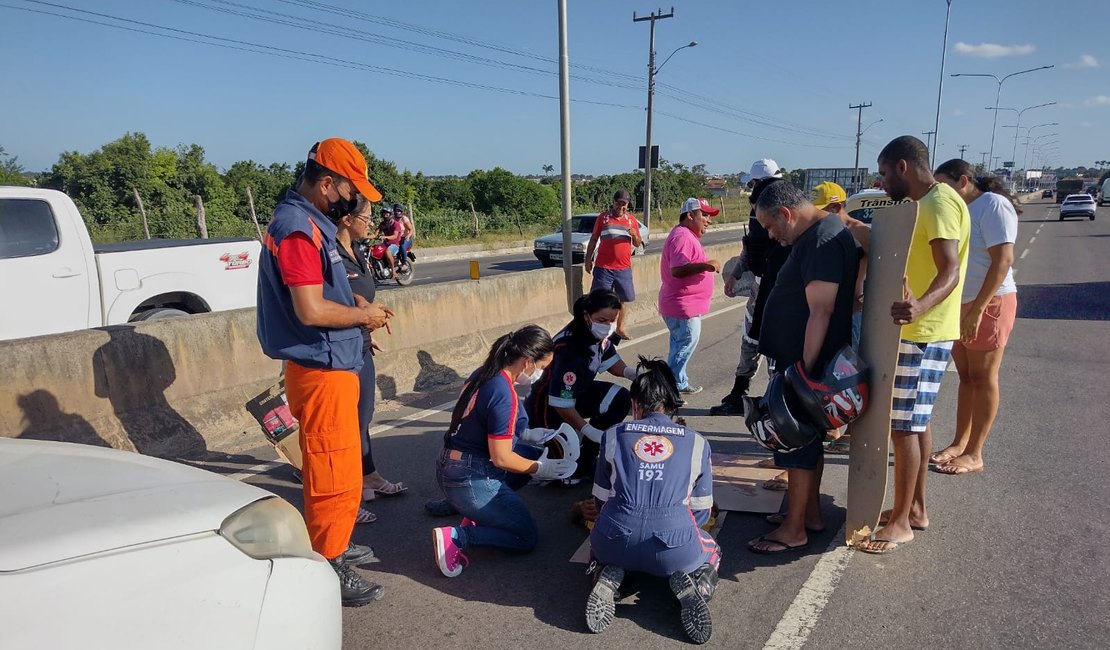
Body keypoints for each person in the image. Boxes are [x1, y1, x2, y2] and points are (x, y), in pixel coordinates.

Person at [256, 138, 392, 605]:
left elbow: (323, 294)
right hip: (321, 367)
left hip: (334, 362)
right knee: (331, 471)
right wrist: (364, 317)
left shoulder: (312, 223)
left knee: (340, 467)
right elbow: (311, 310)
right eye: (352, 191)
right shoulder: (298, 229)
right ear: (327, 183)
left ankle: (337, 543)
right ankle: (329, 565)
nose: (355, 202)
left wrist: (354, 303)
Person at [860, 136, 969, 554]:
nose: (883, 183)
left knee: (903, 424)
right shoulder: (934, 201)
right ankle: (916, 508)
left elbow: (951, 271)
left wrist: (918, 307)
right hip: (926, 329)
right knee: (917, 423)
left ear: (904, 167)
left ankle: (902, 521)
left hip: (923, 333)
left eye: (886, 174)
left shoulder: (938, 203)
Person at [746, 181, 858, 554]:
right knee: (805, 443)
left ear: (787, 214)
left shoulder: (822, 241)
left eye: (770, 225)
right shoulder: (819, 235)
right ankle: (808, 514)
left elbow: (821, 310)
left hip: (803, 364)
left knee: (793, 442)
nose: (770, 234)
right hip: (797, 361)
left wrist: (803, 376)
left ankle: (794, 529)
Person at [585, 357, 719, 644]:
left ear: (635, 404)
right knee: (713, 550)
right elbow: (702, 511)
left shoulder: (612, 435)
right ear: (672, 406)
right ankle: (698, 586)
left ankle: (605, 576)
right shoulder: (697, 442)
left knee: (601, 547)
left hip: (614, 537)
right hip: (674, 547)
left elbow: (598, 502)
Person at [431, 326, 578, 578]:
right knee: (525, 536)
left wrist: (528, 435)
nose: (541, 374)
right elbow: (502, 458)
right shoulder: (504, 394)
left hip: (450, 465)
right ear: (527, 361)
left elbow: (480, 425)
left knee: (530, 453)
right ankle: (458, 536)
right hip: (471, 477)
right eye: (542, 367)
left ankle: (468, 507)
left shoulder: (484, 374)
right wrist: (542, 469)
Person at [930, 159, 1019, 475]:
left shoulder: (992, 205)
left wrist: (979, 309)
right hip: (961, 304)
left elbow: (1003, 261)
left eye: (942, 183)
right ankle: (959, 443)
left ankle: (975, 453)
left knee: (984, 378)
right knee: (966, 377)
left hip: (990, 303)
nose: (937, 190)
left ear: (963, 180)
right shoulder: (959, 208)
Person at [335, 197, 406, 525]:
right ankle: (345, 497)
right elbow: (329, 301)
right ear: (347, 219)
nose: (371, 222)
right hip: (341, 349)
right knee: (346, 427)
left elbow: (359, 298)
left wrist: (367, 328)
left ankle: (369, 476)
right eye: (365, 216)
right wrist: (362, 315)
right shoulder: (331, 254)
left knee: (363, 418)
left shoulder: (357, 251)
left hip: (360, 343)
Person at [525, 289, 637, 481]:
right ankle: (535, 453)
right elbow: (561, 404)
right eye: (602, 320)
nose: (608, 326)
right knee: (565, 474)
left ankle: (588, 456)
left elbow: (611, 362)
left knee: (620, 399)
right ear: (587, 315)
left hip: (576, 394)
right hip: (548, 408)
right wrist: (588, 430)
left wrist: (632, 373)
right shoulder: (572, 349)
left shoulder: (597, 334)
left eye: (612, 320)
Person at [713, 160, 784, 416]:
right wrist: (735, 274)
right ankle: (739, 392)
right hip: (760, 282)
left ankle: (776, 400)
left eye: (755, 183)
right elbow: (751, 246)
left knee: (774, 344)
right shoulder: (759, 209)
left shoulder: (783, 207)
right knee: (749, 339)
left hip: (780, 287)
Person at [811, 181, 870, 455]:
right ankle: (833, 424)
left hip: (856, 311)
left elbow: (876, 265)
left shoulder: (860, 232)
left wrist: (860, 288)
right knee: (832, 368)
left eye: (825, 210)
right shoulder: (826, 233)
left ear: (837, 206)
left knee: (853, 368)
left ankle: (853, 430)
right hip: (835, 309)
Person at [659, 198, 722, 400]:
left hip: (685, 304)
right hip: (682, 304)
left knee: (680, 345)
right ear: (690, 215)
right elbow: (677, 269)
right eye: (704, 215)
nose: (708, 220)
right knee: (684, 345)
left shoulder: (686, 235)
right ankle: (669, 387)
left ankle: (679, 381)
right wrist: (706, 265)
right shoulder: (682, 237)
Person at [584, 189, 643, 340]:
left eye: (624, 204)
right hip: (604, 267)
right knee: (599, 299)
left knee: (623, 299)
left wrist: (634, 235)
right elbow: (594, 239)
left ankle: (620, 328)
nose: (621, 207)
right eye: (619, 203)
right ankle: (595, 329)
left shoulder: (632, 220)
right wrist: (588, 258)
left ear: (628, 205)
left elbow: (637, 244)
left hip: (623, 267)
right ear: (613, 202)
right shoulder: (603, 218)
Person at [375, 204, 405, 274]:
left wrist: (384, 237)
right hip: (386, 244)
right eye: (383, 213)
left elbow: (394, 236)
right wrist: (364, 236)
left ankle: (393, 270)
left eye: (386, 213)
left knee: (388, 252)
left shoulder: (396, 224)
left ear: (390, 214)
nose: (385, 215)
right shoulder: (382, 224)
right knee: (375, 250)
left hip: (395, 244)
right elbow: (375, 233)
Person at [393, 203, 415, 271]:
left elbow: (411, 229)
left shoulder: (404, 219)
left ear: (401, 212)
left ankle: (404, 263)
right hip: (397, 238)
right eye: (395, 211)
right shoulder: (392, 219)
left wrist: (408, 236)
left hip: (406, 238)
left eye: (398, 211)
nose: (397, 212)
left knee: (402, 247)